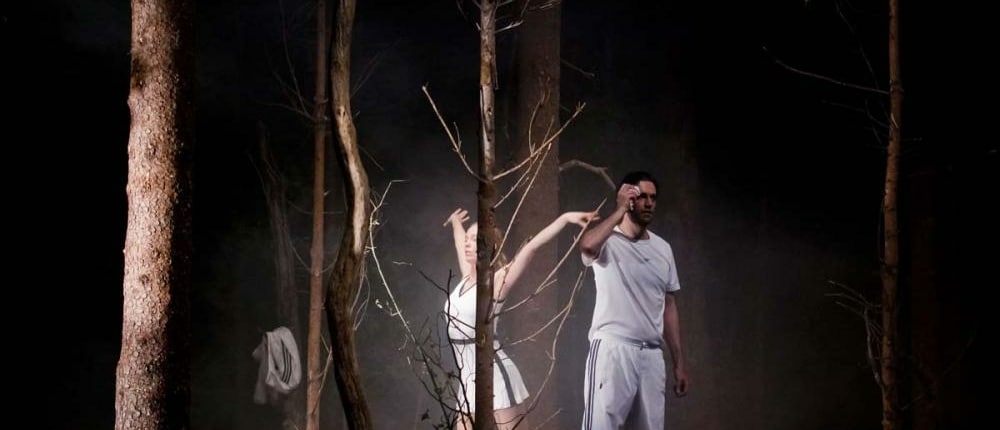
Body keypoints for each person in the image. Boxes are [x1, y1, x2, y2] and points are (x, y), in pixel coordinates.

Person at [444, 207, 598, 430]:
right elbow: (460, 243)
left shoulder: (496, 281)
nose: (468, 244)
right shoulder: (466, 278)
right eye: (468, 239)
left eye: (475, 239)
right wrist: (455, 222)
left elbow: (531, 247)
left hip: (494, 374)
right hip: (466, 378)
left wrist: (565, 219)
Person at [577, 171, 689, 430]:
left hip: (651, 356)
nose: (648, 203)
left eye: (653, 198)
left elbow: (669, 306)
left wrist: (679, 363)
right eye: (641, 197)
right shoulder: (608, 240)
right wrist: (618, 210)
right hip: (613, 350)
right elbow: (587, 246)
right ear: (628, 199)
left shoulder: (663, 249)